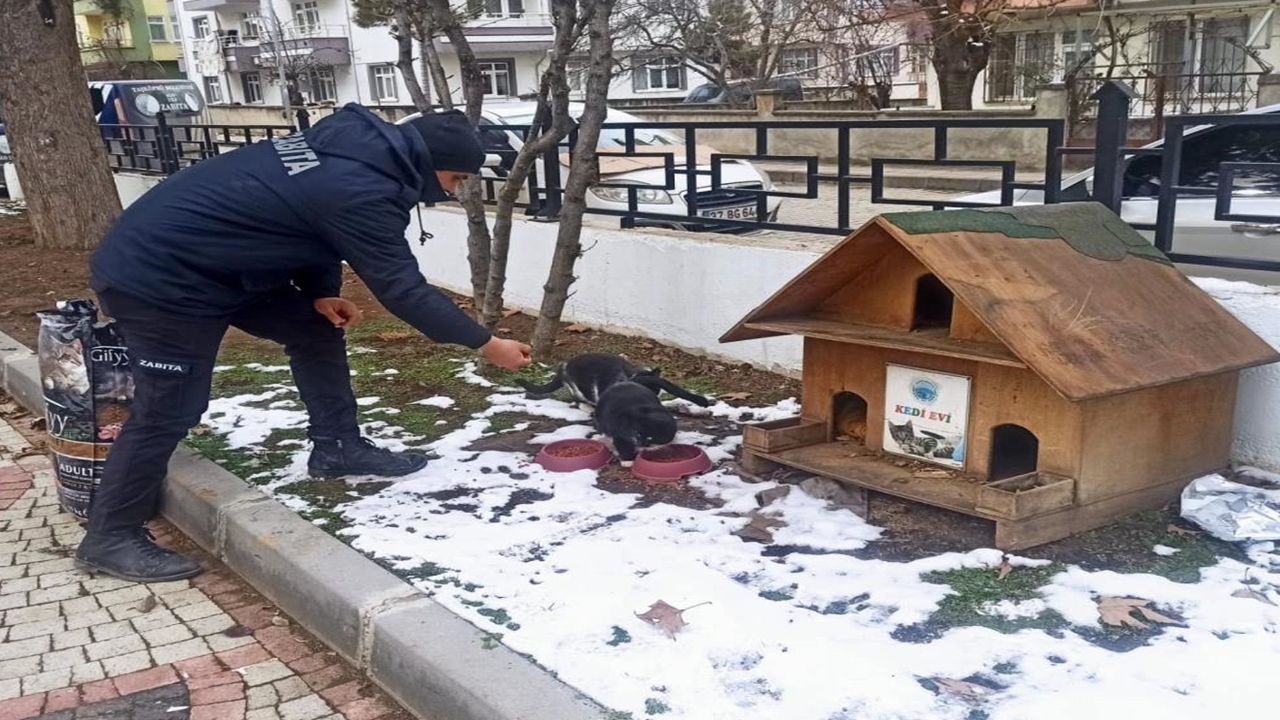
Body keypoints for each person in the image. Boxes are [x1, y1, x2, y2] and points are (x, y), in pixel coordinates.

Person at [76, 104, 531, 583]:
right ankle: (110, 536)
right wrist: (485, 343)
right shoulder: (361, 187)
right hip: (162, 279)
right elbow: (403, 290)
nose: (454, 189)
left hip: (228, 269)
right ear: (428, 161)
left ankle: (338, 447)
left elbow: (310, 227)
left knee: (315, 330)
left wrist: (320, 294)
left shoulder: (353, 156)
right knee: (170, 408)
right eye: (456, 178)